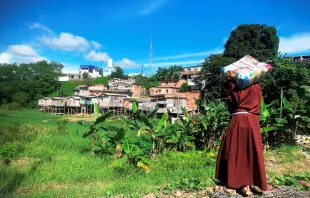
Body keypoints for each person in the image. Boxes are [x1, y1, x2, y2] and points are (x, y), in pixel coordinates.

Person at [215, 81, 271, 196]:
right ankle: (248, 184)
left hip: (239, 120)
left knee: (235, 151)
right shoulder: (257, 86)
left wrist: (230, 84)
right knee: (251, 151)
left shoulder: (236, 86)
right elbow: (258, 102)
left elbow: (233, 100)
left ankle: (234, 184)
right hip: (253, 121)